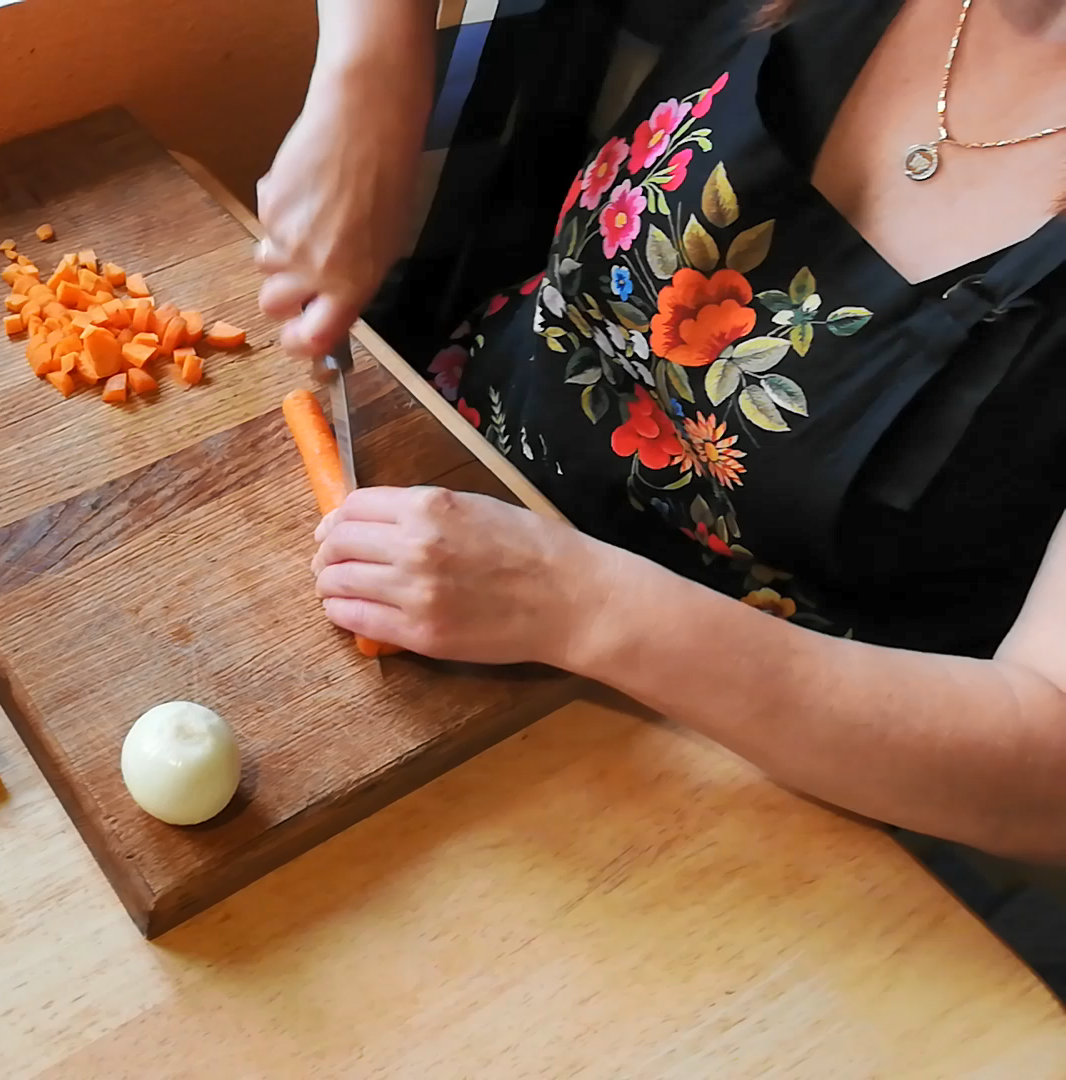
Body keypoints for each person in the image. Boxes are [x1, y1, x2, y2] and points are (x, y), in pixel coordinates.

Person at [257, 0, 1066, 873]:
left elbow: (1044, 773)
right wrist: (370, 83)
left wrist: (582, 604)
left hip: (762, 776)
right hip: (454, 468)